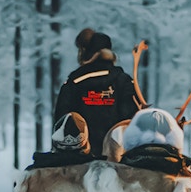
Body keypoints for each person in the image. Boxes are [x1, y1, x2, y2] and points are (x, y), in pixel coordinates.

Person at [54, 28, 139, 156]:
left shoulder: (74, 82)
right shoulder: (124, 81)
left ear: (85, 52)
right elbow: (132, 121)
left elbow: (61, 120)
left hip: (79, 159)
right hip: (116, 159)